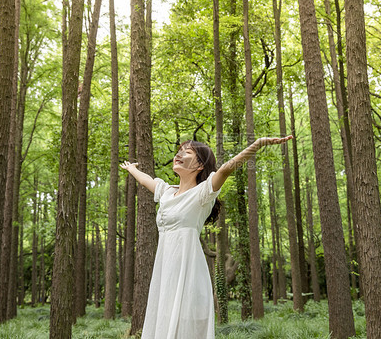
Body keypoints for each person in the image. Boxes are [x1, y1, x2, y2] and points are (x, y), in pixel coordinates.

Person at [120, 135, 293, 339]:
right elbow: (146, 180)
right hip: (165, 272)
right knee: (164, 324)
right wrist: (132, 169)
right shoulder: (166, 192)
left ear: (200, 165)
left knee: (185, 329)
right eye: (180, 150)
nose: (179, 154)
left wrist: (257, 144)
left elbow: (226, 168)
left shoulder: (203, 193)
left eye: (187, 152)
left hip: (189, 270)